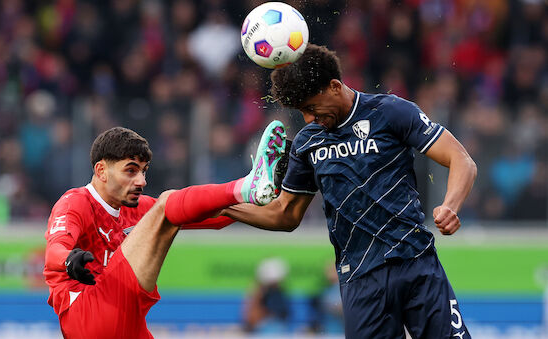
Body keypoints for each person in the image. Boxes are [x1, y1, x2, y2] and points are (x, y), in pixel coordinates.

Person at [222, 44, 477, 338]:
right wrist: (224, 205)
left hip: (416, 263)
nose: (308, 118)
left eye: (311, 107)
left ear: (334, 86)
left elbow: (462, 160)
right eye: (301, 111)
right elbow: (285, 214)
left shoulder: (390, 112)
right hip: (359, 279)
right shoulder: (307, 143)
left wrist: (451, 205)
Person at [43, 122, 287, 339]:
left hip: (130, 323)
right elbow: (55, 248)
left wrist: (275, 198)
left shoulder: (139, 209)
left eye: (143, 171)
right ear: (101, 171)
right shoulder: (76, 202)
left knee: (182, 207)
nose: (141, 181)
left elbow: (217, 216)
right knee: (166, 203)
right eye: (131, 170)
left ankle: (263, 190)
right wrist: (68, 259)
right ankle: (245, 184)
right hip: (88, 315)